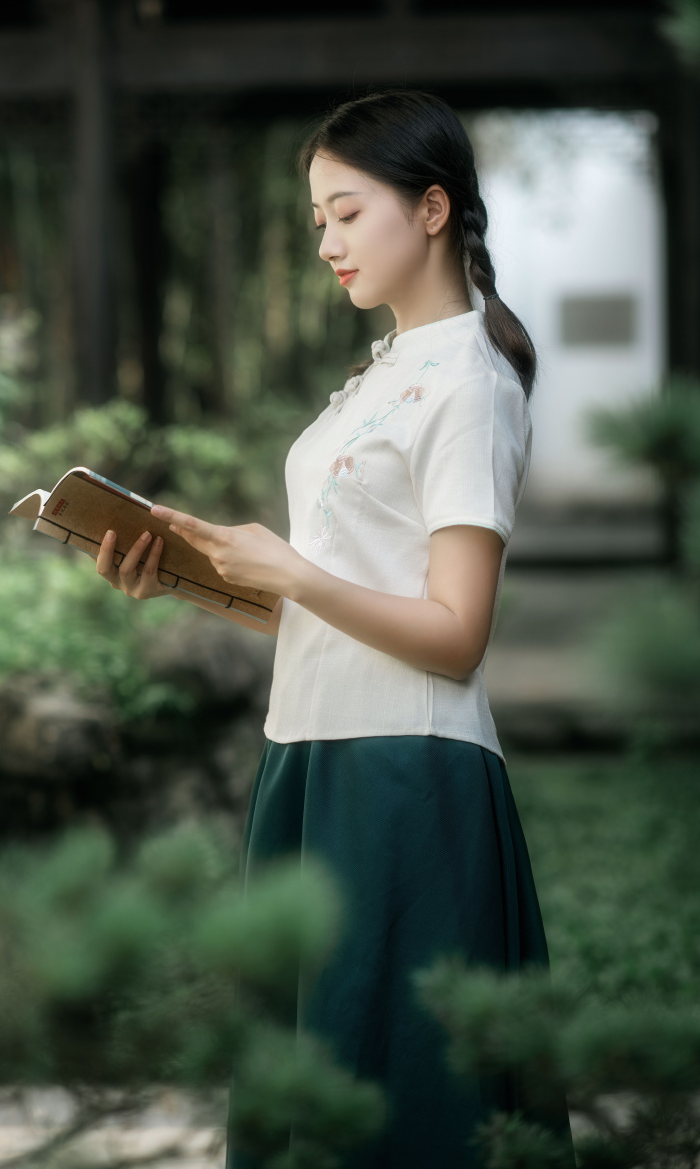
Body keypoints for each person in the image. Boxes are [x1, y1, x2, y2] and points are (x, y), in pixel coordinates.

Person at [95, 88, 575, 1169]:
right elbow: (335, 598)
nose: (325, 243)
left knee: (397, 1095)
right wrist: (191, 578)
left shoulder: (468, 383)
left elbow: (454, 635)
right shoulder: (374, 377)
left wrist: (295, 573)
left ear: (433, 208)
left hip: (405, 775)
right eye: (317, 220)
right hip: (306, 758)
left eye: (346, 212)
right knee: (304, 1084)